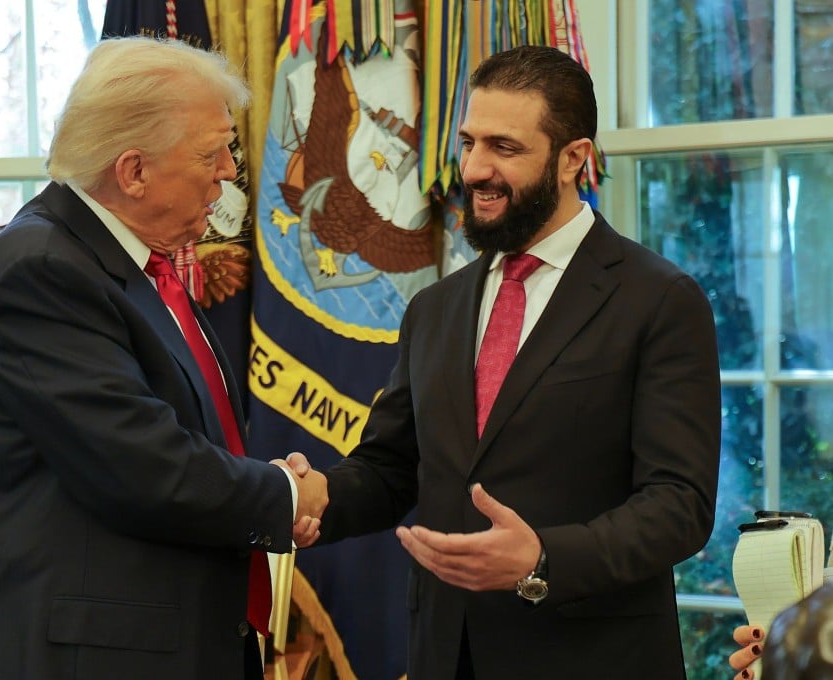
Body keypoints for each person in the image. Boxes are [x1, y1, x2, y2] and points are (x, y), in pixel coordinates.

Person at [291, 44, 722, 679]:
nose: (473, 169)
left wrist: (542, 558)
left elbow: (679, 504)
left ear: (575, 158)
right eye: (468, 143)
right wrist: (319, 496)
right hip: (444, 656)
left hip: (592, 661)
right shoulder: (435, 309)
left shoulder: (659, 300)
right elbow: (391, 469)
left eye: (504, 148)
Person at [0, 36, 326, 680]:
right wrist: (283, 493)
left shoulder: (142, 270)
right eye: (212, 151)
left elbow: (183, 439)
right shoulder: (42, 267)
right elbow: (143, 466)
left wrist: (271, 484)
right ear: (133, 171)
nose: (229, 169)